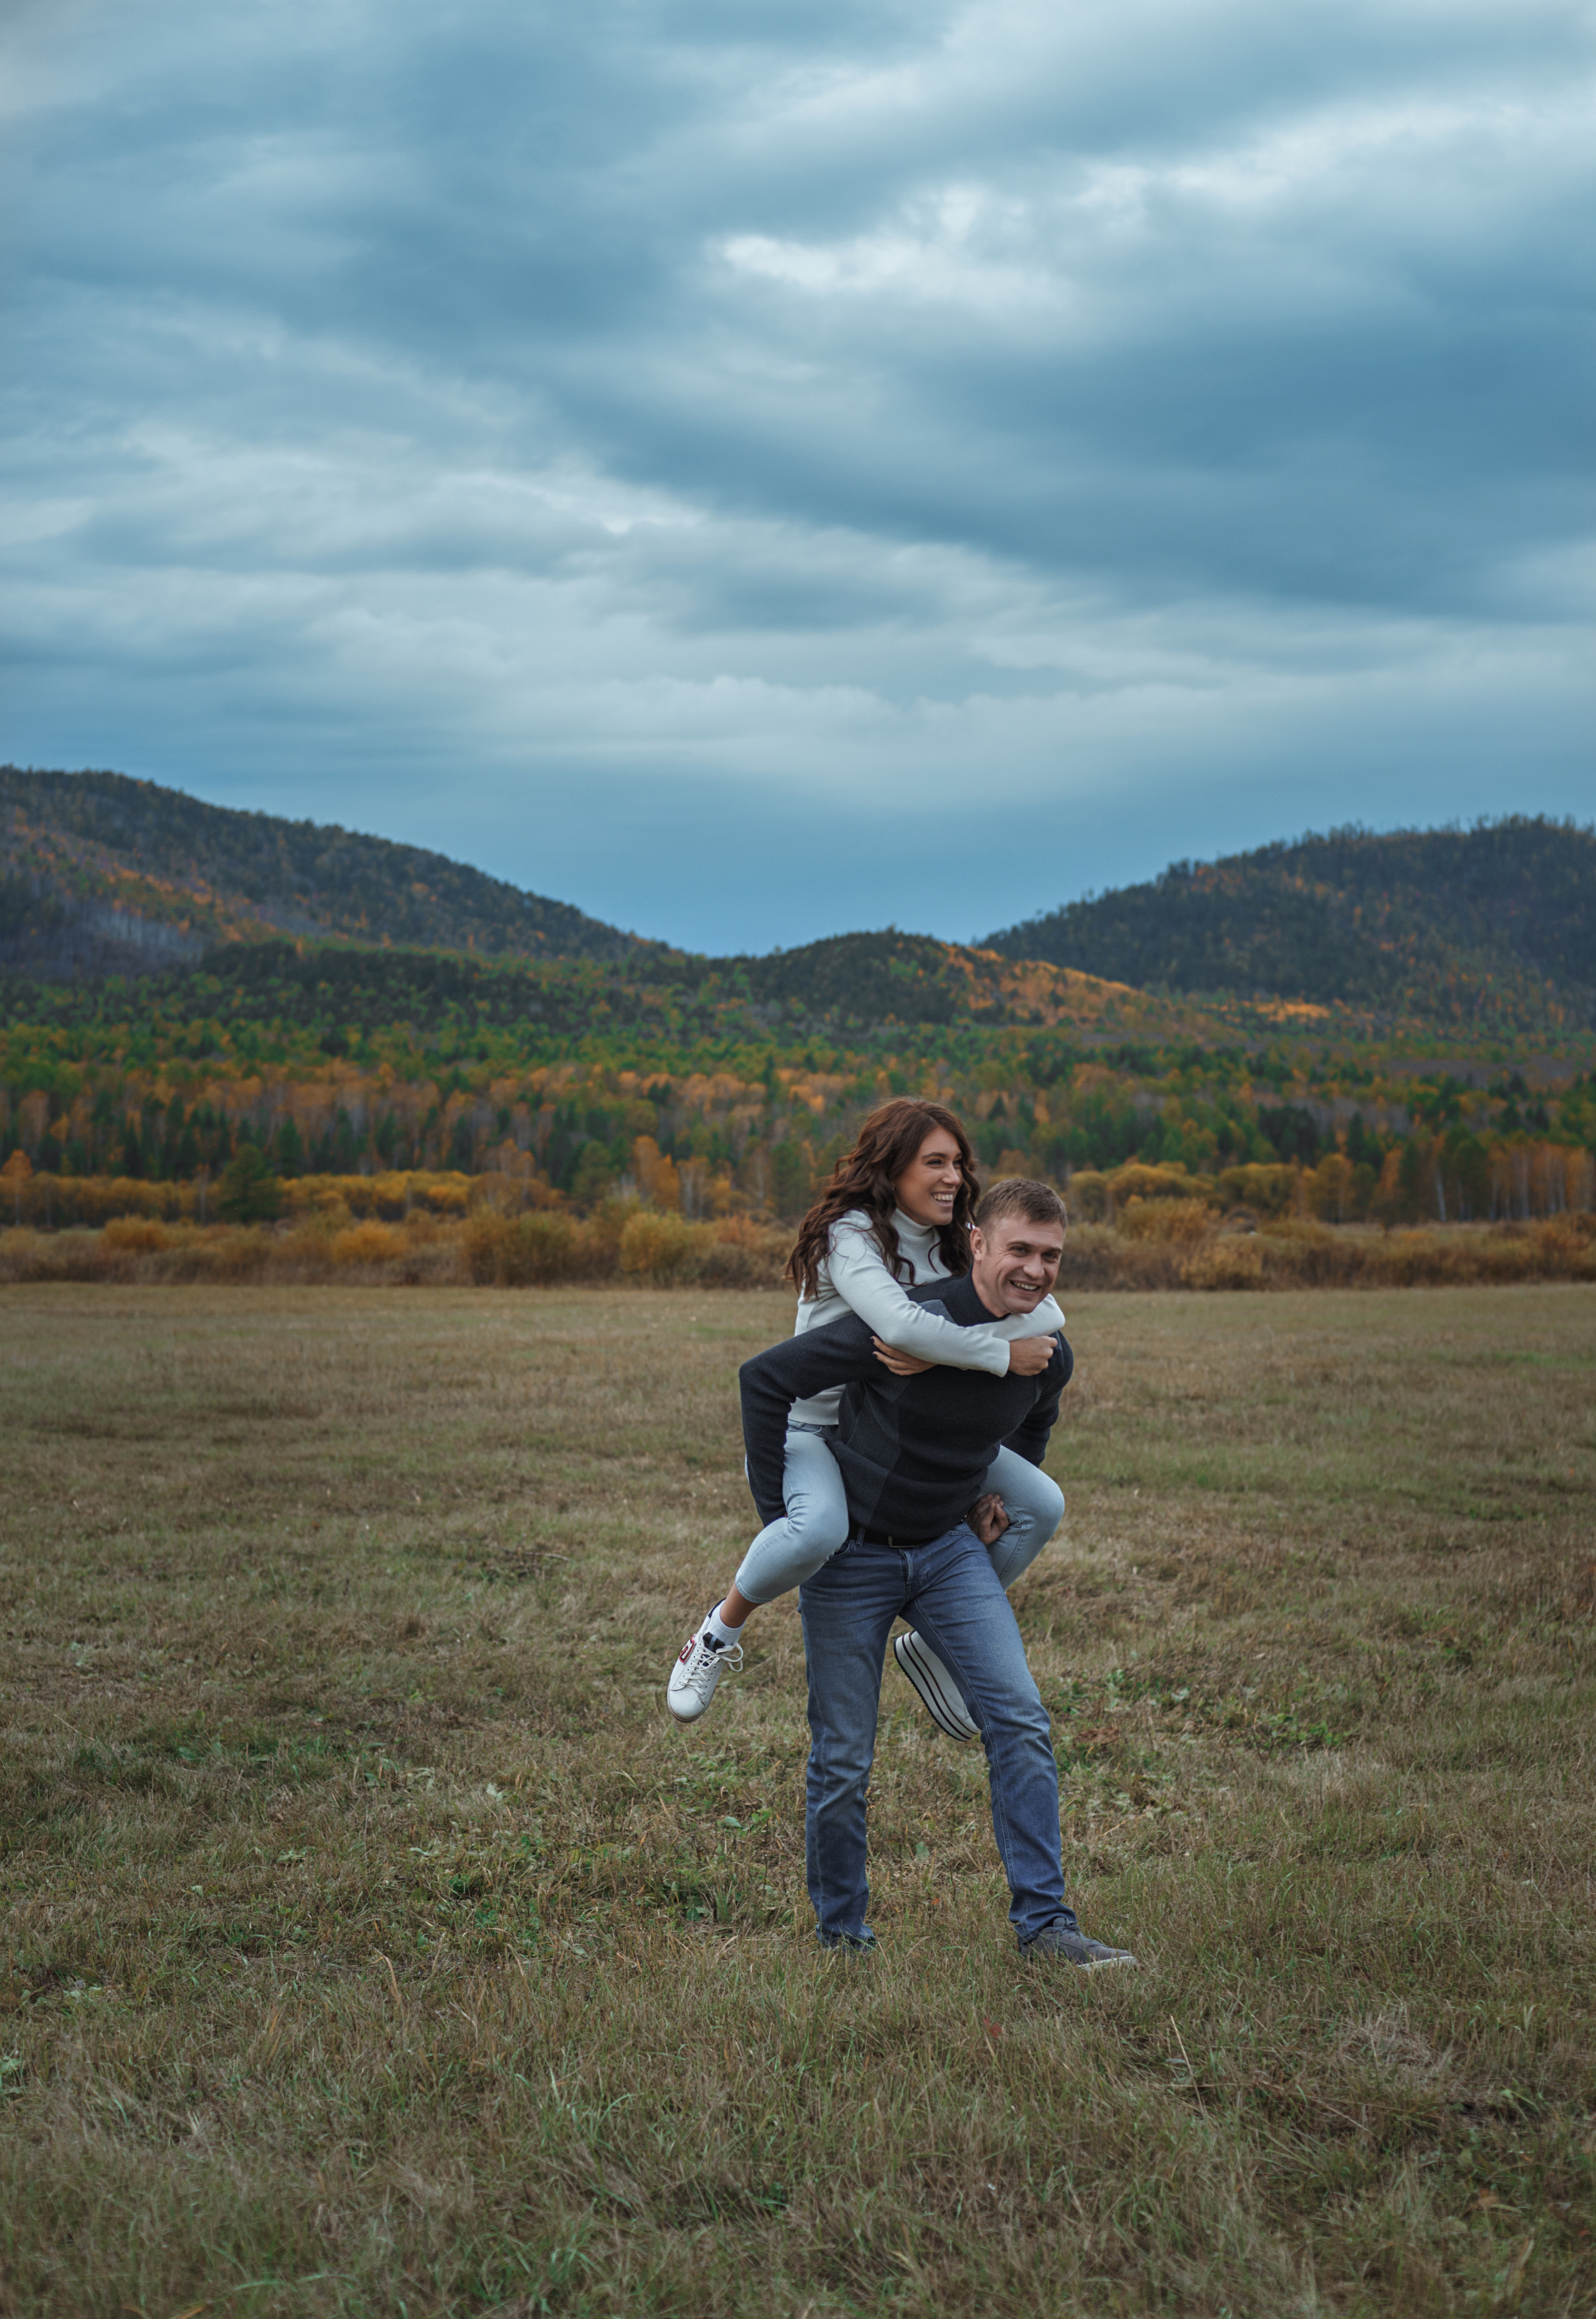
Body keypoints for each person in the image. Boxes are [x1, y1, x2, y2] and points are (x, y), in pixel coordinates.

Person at [738, 1178, 1137, 1967]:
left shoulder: (1045, 1354)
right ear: (978, 1243)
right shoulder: (909, 1328)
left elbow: (1033, 1424)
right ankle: (843, 1937)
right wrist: (778, 1517)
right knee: (845, 1756)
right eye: (1019, 1248)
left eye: (1051, 1255)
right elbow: (764, 1378)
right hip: (851, 1555)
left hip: (949, 1556)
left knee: (1019, 1720)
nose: (1035, 1269)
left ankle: (1046, 1927)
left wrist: (994, 1489)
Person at [666, 1100, 1067, 1733]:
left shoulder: (956, 1239)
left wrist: (937, 1358)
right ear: (892, 1168)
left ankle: (935, 1646)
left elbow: (1048, 1316)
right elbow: (899, 1325)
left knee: (1041, 1504)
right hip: (814, 1427)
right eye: (934, 1162)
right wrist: (993, 1353)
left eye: (958, 1163)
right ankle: (717, 1632)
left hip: (895, 1427)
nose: (953, 1178)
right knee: (814, 1532)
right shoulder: (850, 1234)